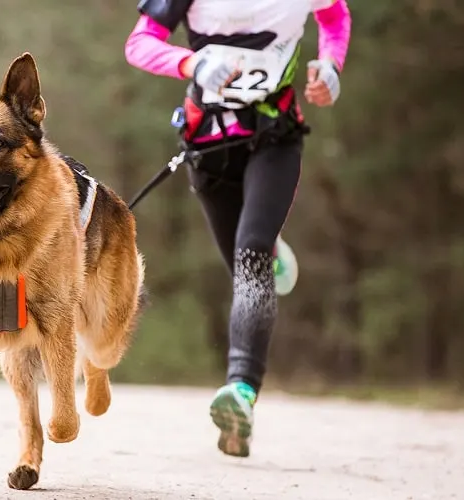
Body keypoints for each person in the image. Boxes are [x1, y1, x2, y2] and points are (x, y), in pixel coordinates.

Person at [124, 0, 351, 457]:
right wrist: (190, 62)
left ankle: (241, 391)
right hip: (208, 147)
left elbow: (335, 16)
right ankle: (269, 249)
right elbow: (139, 44)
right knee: (244, 267)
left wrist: (330, 65)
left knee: (251, 259)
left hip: (274, 138)